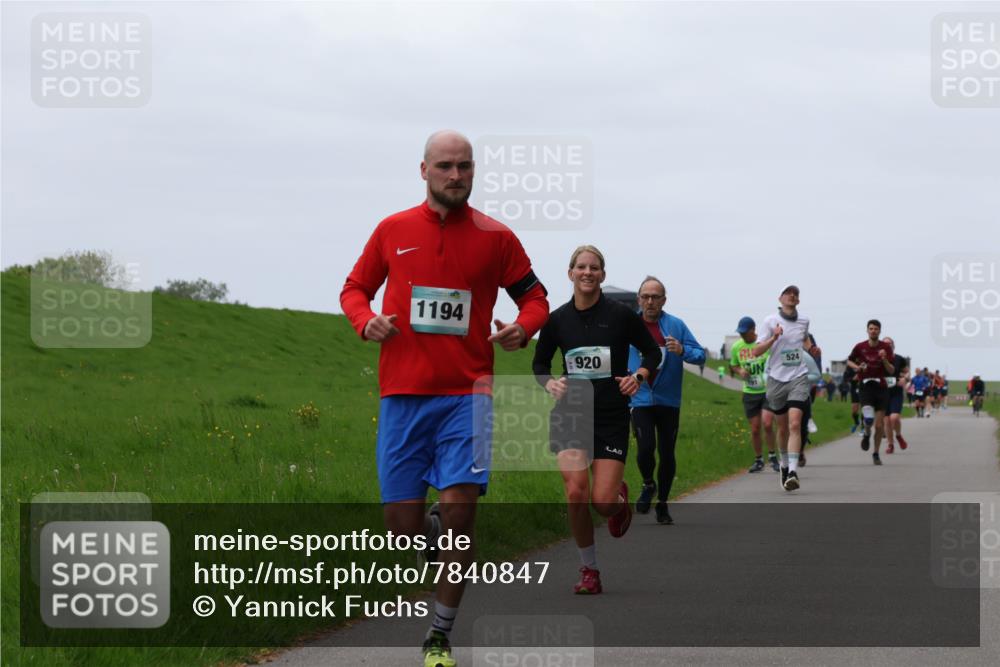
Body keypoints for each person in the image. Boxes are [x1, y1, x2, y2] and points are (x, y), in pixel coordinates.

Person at [340, 130, 550, 667]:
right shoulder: (393, 230)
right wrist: (367, 322)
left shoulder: (496, 237)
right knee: (402, 529)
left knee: (462, 515)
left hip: (468, 397)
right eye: (445, 166)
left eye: (465, 166)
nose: (456, 176)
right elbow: (354, 288)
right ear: (423, 170)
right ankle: (425, 527)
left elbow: (535, 297)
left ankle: (439, 633)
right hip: (404, 396)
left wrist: (521, 331)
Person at [533, 246, 660, 595]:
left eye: (594, 268)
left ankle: (618, 502)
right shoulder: (557, 319)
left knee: (601, 502)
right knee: (576, 492)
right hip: (571, 413)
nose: (587, 272)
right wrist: (549, 383)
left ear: (602, 275)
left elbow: (652, 350)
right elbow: (539, 364)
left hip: (610, 415)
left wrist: (640, 375)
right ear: (570, 272)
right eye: (581, 267)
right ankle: (589, 569)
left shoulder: (620, 315)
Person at [628, 277, 705, 523]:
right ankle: (648, 483)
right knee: (645, 448)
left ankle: (662, 503)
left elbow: (700, 355)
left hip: (668, 400)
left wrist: (682, 350)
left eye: (656, 297)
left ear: (664, 300)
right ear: (639, 299)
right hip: (639, 398)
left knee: (667, 452)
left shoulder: (676, 325)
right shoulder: (629, 325)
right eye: (646, 296)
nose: (650, 302)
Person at [753, 285, 815, 491]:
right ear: (780, 298)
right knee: (782, 428)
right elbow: (756, 351)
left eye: (796, 294)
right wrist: (774, 337)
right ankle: (784, 464)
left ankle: (793, 472)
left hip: (798, 376)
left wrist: (811, 348)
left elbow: (804, 339)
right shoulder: (769, 321)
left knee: (795, 424)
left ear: (798, 300)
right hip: (776, 379)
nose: (792, 296)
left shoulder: (804, 320)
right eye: (788, 293)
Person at [729, 316, 779, 474]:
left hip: (767, 390)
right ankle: (758, 460)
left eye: (745, 332)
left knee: (767, 423)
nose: (742, 335)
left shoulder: (763, 344)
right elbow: (734, 365)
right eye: (740, 332)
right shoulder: (737, 347)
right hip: (750, 392)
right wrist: (740, 371)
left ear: (753, 330)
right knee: (756, 428)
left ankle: (773, 457)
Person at [847, 319, 895, 465]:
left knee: (879, 425)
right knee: (868, 419)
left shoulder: (886, 347)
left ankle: (875, 453)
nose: (873, 331)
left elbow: (892, 370)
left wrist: (884, 359)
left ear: (880, 331)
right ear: (867, 330)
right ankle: (867, 434)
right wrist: (857, 367)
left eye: (876, 329)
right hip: (865, 386)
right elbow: (849, 361)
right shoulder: (860, 347)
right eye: (871, 328)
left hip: (881, 387)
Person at [881, 337, 909, 453]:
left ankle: (898, 435)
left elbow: (907, 371)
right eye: (885, 344)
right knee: (887, 420)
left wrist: (904, 379)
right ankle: (890, 444)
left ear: (893, 346)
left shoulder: (899, 359)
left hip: (896, 391)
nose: (888, 346)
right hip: (882, 392)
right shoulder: (877, 359)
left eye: (890, 344)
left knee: (895, 417)